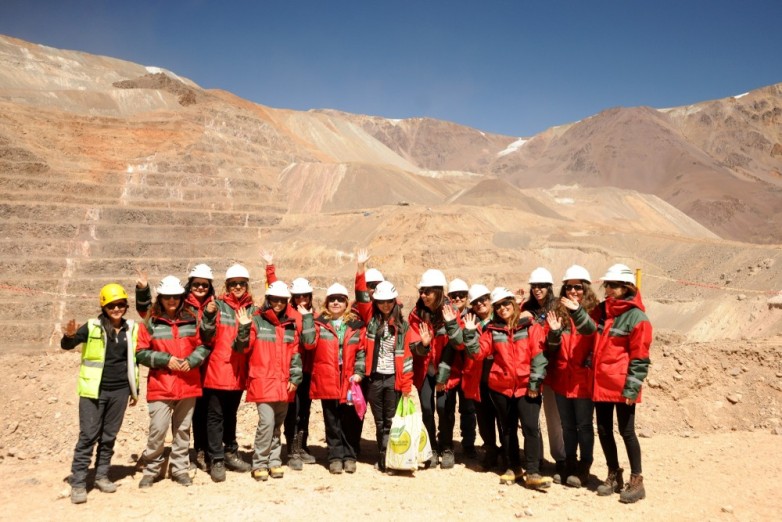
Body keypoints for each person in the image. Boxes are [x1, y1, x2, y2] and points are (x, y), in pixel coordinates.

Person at [463, 287, 552, 490]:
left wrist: (534, 383)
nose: (502, 308)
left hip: (526, 387)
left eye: (505, 304)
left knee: (530, 428)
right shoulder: (493, 330)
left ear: (513, 303)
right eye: (498, 306)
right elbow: (477, 354)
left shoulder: (530, 326)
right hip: (501, 388)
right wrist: (469, 334)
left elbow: (539, 356)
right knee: (508, 428)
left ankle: (532, 470)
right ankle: (514, 467)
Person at [61, 283, 139, 504]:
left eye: (121, 304)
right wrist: (69, 337)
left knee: (109, 436)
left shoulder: (131, 328)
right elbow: (68, 345)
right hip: (93, 390)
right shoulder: (92, 327)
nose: (117, 309)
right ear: (103, 306)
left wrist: (134, 390)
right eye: (112, 305)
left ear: (126, 305)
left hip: (120, 391)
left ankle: (102, 475)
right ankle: (78, 482)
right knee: (88, 436)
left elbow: (134, 361)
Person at [135, 264, 216, 472]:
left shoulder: (192, 319)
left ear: (181, 297)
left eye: (176, 296)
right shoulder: (151, 321)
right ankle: (152, 468)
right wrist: (165, 359)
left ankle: (179, 468)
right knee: (158, 430)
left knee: (182, 430)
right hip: (161, 385)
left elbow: (205, 344)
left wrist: (192, 360)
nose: (172, 300)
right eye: (167, 296)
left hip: (187, 384)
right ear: (160, 298)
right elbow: (140, 352)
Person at [583, 264, 652, 503]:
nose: (608, 289)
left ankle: (637, 479)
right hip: (601, 382)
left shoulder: (637, 318)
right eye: (607, 285)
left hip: (622, 384)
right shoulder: (603, 311)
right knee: (603, 429)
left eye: (612, 285)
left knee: (627, 431)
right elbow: (584, 324)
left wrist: (632, 387)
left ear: (626, 288)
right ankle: (614, 474)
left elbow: (640, 357)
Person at [234, 281, 311, 481]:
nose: (278, 303)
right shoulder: (257, 321)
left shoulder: (289, 325)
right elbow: (242, 348)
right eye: (274, 299)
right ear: (268, 300)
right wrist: (243, 328)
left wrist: (295, 377)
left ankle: (274, 461)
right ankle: (259, 462)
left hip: (284, 384)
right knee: (266, 423)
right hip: (263, 382)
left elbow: (295, 354)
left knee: (277, 424)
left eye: (282, 300)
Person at [198, 264, 255, 481]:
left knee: (231, 415)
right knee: (215, 416)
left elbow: (249, 343)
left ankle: (231, 452)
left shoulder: (252, 309)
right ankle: (217, 458)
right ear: (227, 286)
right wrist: (209, 317)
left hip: (239, 372)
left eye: (241, 283)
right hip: (218, 370)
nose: (238, 287)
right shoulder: (217, 306)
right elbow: (206, 337)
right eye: (233, 284)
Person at [262, 250, 318, 469]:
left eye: (305, 296)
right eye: (298, 296)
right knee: (292, 411)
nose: (302, 299)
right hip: (291, 369)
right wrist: (270, 267)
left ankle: (302, 445)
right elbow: (276, 291)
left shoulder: (313, 315)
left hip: (308, 370)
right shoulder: (290, 314)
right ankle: (292, 449)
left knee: (304, 410)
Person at [545, 265, 599, 488]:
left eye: (578, 287)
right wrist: (555, 333)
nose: (573, 291)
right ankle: (570, 461)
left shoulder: (594, 311)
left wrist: (578, 312)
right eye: (569, 287)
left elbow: (592, 332)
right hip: (562, 378)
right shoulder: (558, 312)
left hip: (582, 379)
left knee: (584, 425)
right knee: (567, 425)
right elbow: (552, 347)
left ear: (585, 288)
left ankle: (584, 466)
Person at [408, 269, 465, 469]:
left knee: (444, 407)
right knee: (426, 408)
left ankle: (447, 447)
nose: (423, 295)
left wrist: (451, 324)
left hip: (447, 369)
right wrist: (423, 345)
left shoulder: (452, 313)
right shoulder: (416, 314)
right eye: (421, 291)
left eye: (427, 292)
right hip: (424, 369)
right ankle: (430, 448)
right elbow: (413, 345)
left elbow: (457, 345)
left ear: (439, 292)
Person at [308, 282, 367, 474]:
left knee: (349, 418)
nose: (335, 303)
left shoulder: (356, 326)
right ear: (326, 303)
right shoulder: (319, 324)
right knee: (331, 418)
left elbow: (361, 351)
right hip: (328, 378)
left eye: (340, 300)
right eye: (332, 299)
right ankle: (334, 456)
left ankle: (349, 456)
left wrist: (359, 372)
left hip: (349, 379)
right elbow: (309, 344)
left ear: (346, 303)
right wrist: (307, 319)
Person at [362, 280, 414, 472]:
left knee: (391, 421)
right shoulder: (371, 321)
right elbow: (360, 296)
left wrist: (406, 385)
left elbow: (407, 358)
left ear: (394, 301)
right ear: (375, 302)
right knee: (379, 420)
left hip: (393, 378)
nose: (385, 305)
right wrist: (361, 268)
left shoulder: (402, 326)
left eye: (389, 301)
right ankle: (383, 454)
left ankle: (388, 458)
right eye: (381, 301)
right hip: (375, 378)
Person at [522, 267, 566, 482]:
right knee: (531, 418)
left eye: (541, 286)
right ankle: (535, 457)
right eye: (534, 286)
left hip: (551, 371)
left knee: (553, 417)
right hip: (528, 371)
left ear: (549, 287)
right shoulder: (526, 309)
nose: (537, 290)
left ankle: (560, 458)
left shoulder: (557, 308)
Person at [465, 283, 503, 470]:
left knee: (504, 419)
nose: (480, 304)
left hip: (500, 379)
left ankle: (507, 454)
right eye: (475, 302)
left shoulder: (502, 319)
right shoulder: (471, 323)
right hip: (479, 379)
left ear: (490, 300)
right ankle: (490, 452)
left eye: (483, 300)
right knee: (485, 420)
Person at [447, 278, 478, 460]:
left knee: (468, 409)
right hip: (450, 371)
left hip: (468, 371)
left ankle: (468, 444)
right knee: (447, 409)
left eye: (462, 296)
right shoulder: (444, 315)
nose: (458, 298)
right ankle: (447, 444)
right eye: (454, 296)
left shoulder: (472, 316)